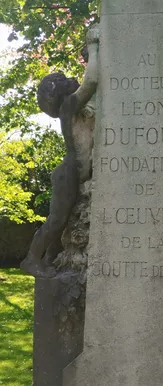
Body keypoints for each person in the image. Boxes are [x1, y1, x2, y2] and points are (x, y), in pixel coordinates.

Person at [21, 24, 99, 277]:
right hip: (70, 172)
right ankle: (31, 260)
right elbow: (93, 80)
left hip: (74, 171)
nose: (72, 80)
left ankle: (50, 259)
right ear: (61, 92)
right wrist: (94, 47)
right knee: (56, 220)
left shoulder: (75, 107)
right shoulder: (69, 106)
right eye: (65, 81)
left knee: (62, 221)